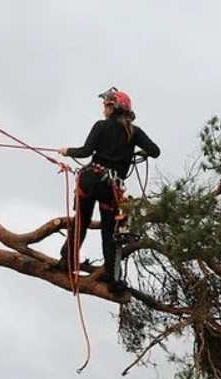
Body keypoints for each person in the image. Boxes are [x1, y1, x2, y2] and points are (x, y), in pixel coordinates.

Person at [58, 87, 160, 292]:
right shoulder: (134, 132)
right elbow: (155, 151)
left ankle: (67, 260)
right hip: (110, 188)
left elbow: (86, 152)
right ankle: (112, 279)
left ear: (113, 107)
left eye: (106, 105)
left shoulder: (101, 126)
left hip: (89, 180)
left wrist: (67, 151)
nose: (103, 109)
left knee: (82, 222)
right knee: (109, 231)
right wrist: (141, 152)